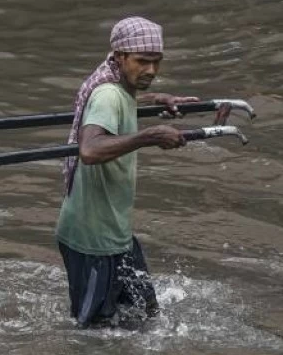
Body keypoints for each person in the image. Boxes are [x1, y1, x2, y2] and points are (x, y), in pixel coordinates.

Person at [56, 16, 196, 328]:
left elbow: (121, 100)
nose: (151, 71)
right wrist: (150, 136)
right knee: (92, 333)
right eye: (142, 62)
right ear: (120, 57)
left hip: (115, 234)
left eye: (157, 62)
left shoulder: (118, 87)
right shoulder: (107, 95)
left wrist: (157, 99)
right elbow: (90, 150)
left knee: (146, 319)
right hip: (92, 241)